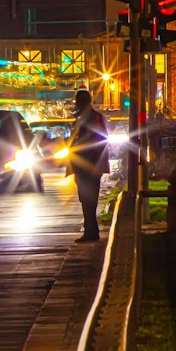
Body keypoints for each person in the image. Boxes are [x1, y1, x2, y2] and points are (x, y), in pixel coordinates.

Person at [68, 88, 110, 241]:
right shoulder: (85, 118)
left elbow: (96, 141)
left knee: (88, 199)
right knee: (86, 199)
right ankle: (91, 230)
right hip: (84, 164)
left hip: (89, 164)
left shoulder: (91, 118)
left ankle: (91, 232)